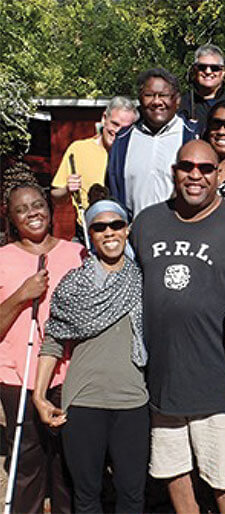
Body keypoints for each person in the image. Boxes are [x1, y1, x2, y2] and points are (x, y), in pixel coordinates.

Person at [129, 139, 225, 514]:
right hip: (163, 384)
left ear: (218, 174)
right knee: (174, 475)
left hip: (221, 384)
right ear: (174, 171)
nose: (195, 175)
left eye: (205, 168)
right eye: (187, 167)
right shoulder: (148, 223)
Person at [33, 195, 149, 513]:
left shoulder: (143, 280)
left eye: (116, 224)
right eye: (100, 227)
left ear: (127, 230)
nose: (109, 232)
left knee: (132, 495)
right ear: (91, 235)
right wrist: (40, 396)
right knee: (85, 496)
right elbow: (53, 340)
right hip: (83, 403)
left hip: (132, 403)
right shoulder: (73, 285)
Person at [0, 180, 85, 513]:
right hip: (17, 374)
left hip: (69, 372)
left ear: (49, 209)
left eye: (37, 204)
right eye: (21, 209)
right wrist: (22, 294)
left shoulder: (76, 252)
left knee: (68, 458)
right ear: (11, 219)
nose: (31, 213)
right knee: (28, 457)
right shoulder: (3, 258)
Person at [106, 68, 199, 220]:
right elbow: (113, 189)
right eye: (149, 95)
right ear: (140, 99)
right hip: (134, 234)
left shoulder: (192, 136)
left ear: (177, 100)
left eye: (163, 95)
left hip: (180, 234)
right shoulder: (123, 141)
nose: (157, 102)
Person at [51, 96, 138, 238]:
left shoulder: (135, 154)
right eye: (114, 124)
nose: (117, 131)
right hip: (88, 231)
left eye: (124, 128)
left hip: (125, 232)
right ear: (104, 118)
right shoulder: (78, 150)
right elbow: (55, 197)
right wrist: (67, 189)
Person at [178, 44, 225, 134]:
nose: (208, 71)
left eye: (214, 68)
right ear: (194, 70)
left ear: (223, 72)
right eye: (202, 67)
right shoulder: (180, 105)